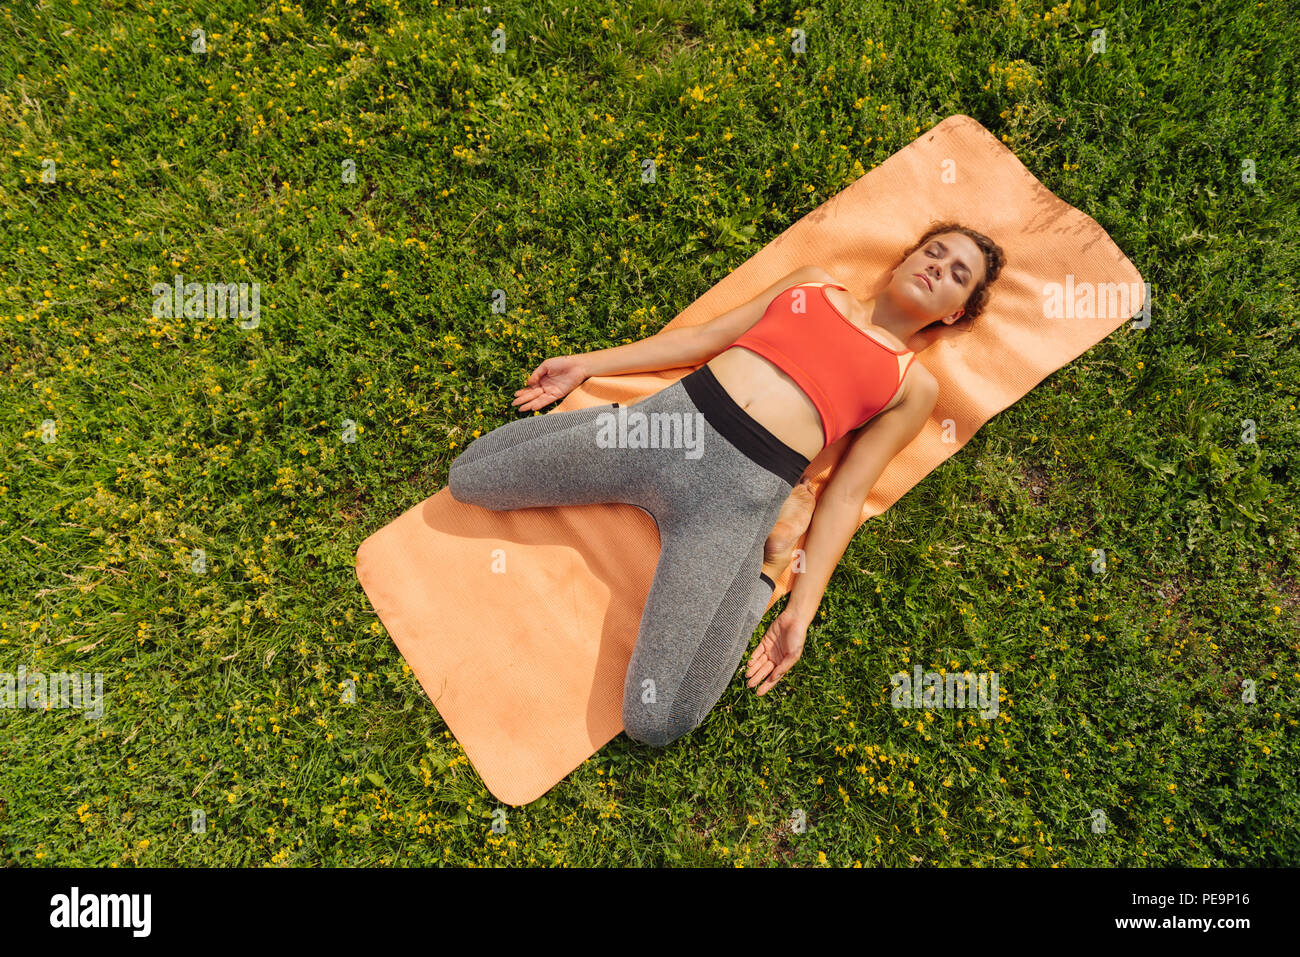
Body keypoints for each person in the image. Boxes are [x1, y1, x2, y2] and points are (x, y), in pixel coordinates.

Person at [448, 222, 1005, 746]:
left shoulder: (913, 385)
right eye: (935, 251)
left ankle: (760, 570)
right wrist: (586, 365)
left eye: (959, 274)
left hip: (734, 503)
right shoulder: (812, 286)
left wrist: (797, 610)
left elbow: (846, 495)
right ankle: (612, 426)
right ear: (905, 257)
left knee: (656, 718)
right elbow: (705, 339)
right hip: (664, 428)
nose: (938, 266)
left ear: (955, 314)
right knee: (470, 478)